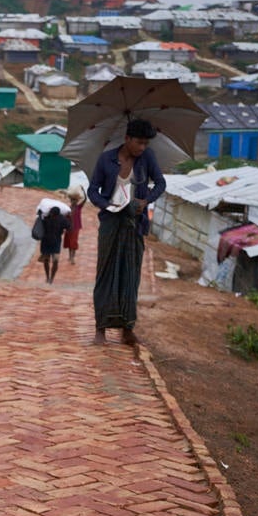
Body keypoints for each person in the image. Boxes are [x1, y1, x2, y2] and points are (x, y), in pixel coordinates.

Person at [86, 118, 166, 346]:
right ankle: (100, 329)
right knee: (105, 275)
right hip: (111, 223)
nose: (142, 148)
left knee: (131, 277)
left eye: (145, 144)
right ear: (127, 139)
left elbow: (160, 183)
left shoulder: (147, 159)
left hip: (135, 224)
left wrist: (146, 200)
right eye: (139, 143)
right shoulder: (106, 159)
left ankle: (127, 329)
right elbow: (93, 190)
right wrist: (106, 205)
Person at [38, 205, 71, 285]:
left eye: (53, 214)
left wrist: (66, 231)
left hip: (56, 242)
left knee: (55, 261)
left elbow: (69, 227)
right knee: (46, 260)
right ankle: (47, 277)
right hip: (46, 241)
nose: (52, 215)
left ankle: (51, 278)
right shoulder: (46, 218)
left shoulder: (62, 219)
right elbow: (39, 223)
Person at [64, 187, 85, 265]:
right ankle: (70, 256)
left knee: (74, 242)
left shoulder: (78, 207)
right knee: (69, 243)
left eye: (75, 200)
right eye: (72, 200)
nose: (74, 202)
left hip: (76, 227)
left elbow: (84, 200)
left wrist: (83, 191)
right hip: (69, 228)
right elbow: (65, 219)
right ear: (71, 201)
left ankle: (72, 257)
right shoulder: (68, 209)